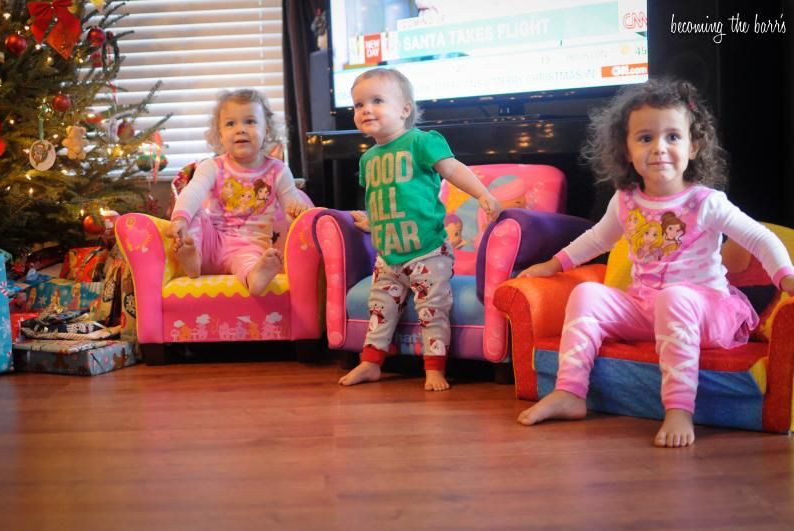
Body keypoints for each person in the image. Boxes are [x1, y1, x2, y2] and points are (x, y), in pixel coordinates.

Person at [516, 78, 794, 447]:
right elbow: (598, 239)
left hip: (705, 311)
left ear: (694, 146)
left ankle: (679, 409)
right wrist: (553, 265)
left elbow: (759, 237)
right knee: (587, 294)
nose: (659, 148)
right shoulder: (626, 200)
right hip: (646, 309)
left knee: (675, 298)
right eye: (645, 138)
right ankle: (570, 392)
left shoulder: (706, 202)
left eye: (673, 137)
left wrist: (785, 276)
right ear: (626, 149)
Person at [340, 67, 502, 391]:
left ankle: (434, 368)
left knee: (433, 308)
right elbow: (381, 198)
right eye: (358, 105)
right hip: (388, 255)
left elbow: (453, 169)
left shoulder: (421, 142)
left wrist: (483, 194)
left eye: (376, 100)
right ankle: (371, 363)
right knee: (379, 308)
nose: (365, 110)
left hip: (428, 250)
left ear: (404, 109)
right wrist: (373, 222)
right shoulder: (367, 159)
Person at [166, 89, 307, 296]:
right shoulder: (212, 166)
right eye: (231, 124)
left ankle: (255, 278)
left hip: (248, 246)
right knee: (195, 212)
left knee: (251, 260)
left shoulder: (278, 171)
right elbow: (193, 191)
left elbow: (292, 203)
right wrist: (179, 219)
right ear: (220, 134)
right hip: (210, 242)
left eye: (250, 121)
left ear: (266, 130)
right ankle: (192, 258)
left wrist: (298, 211)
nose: (240, 129)